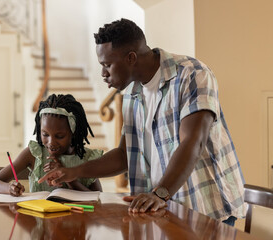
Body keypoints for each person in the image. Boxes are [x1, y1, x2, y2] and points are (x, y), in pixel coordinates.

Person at [38, 18, 246, 225]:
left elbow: (193, 141)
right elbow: (123, 155)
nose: (103, 73)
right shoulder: (132, 94)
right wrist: (72, 172)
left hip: (204, 208)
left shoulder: (191, 74)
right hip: (161, 208)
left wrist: (160, 194)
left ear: (130, 58)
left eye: (107, 65)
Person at [0, 94, 103, 196]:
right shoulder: (33, 154)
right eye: (45, 134)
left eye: (60, 136)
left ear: (73, 132)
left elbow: (98, 197)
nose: (51, 142)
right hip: (40, 220)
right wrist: (10, 188)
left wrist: (67, 177)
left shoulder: (88, 158)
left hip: (79, 220)